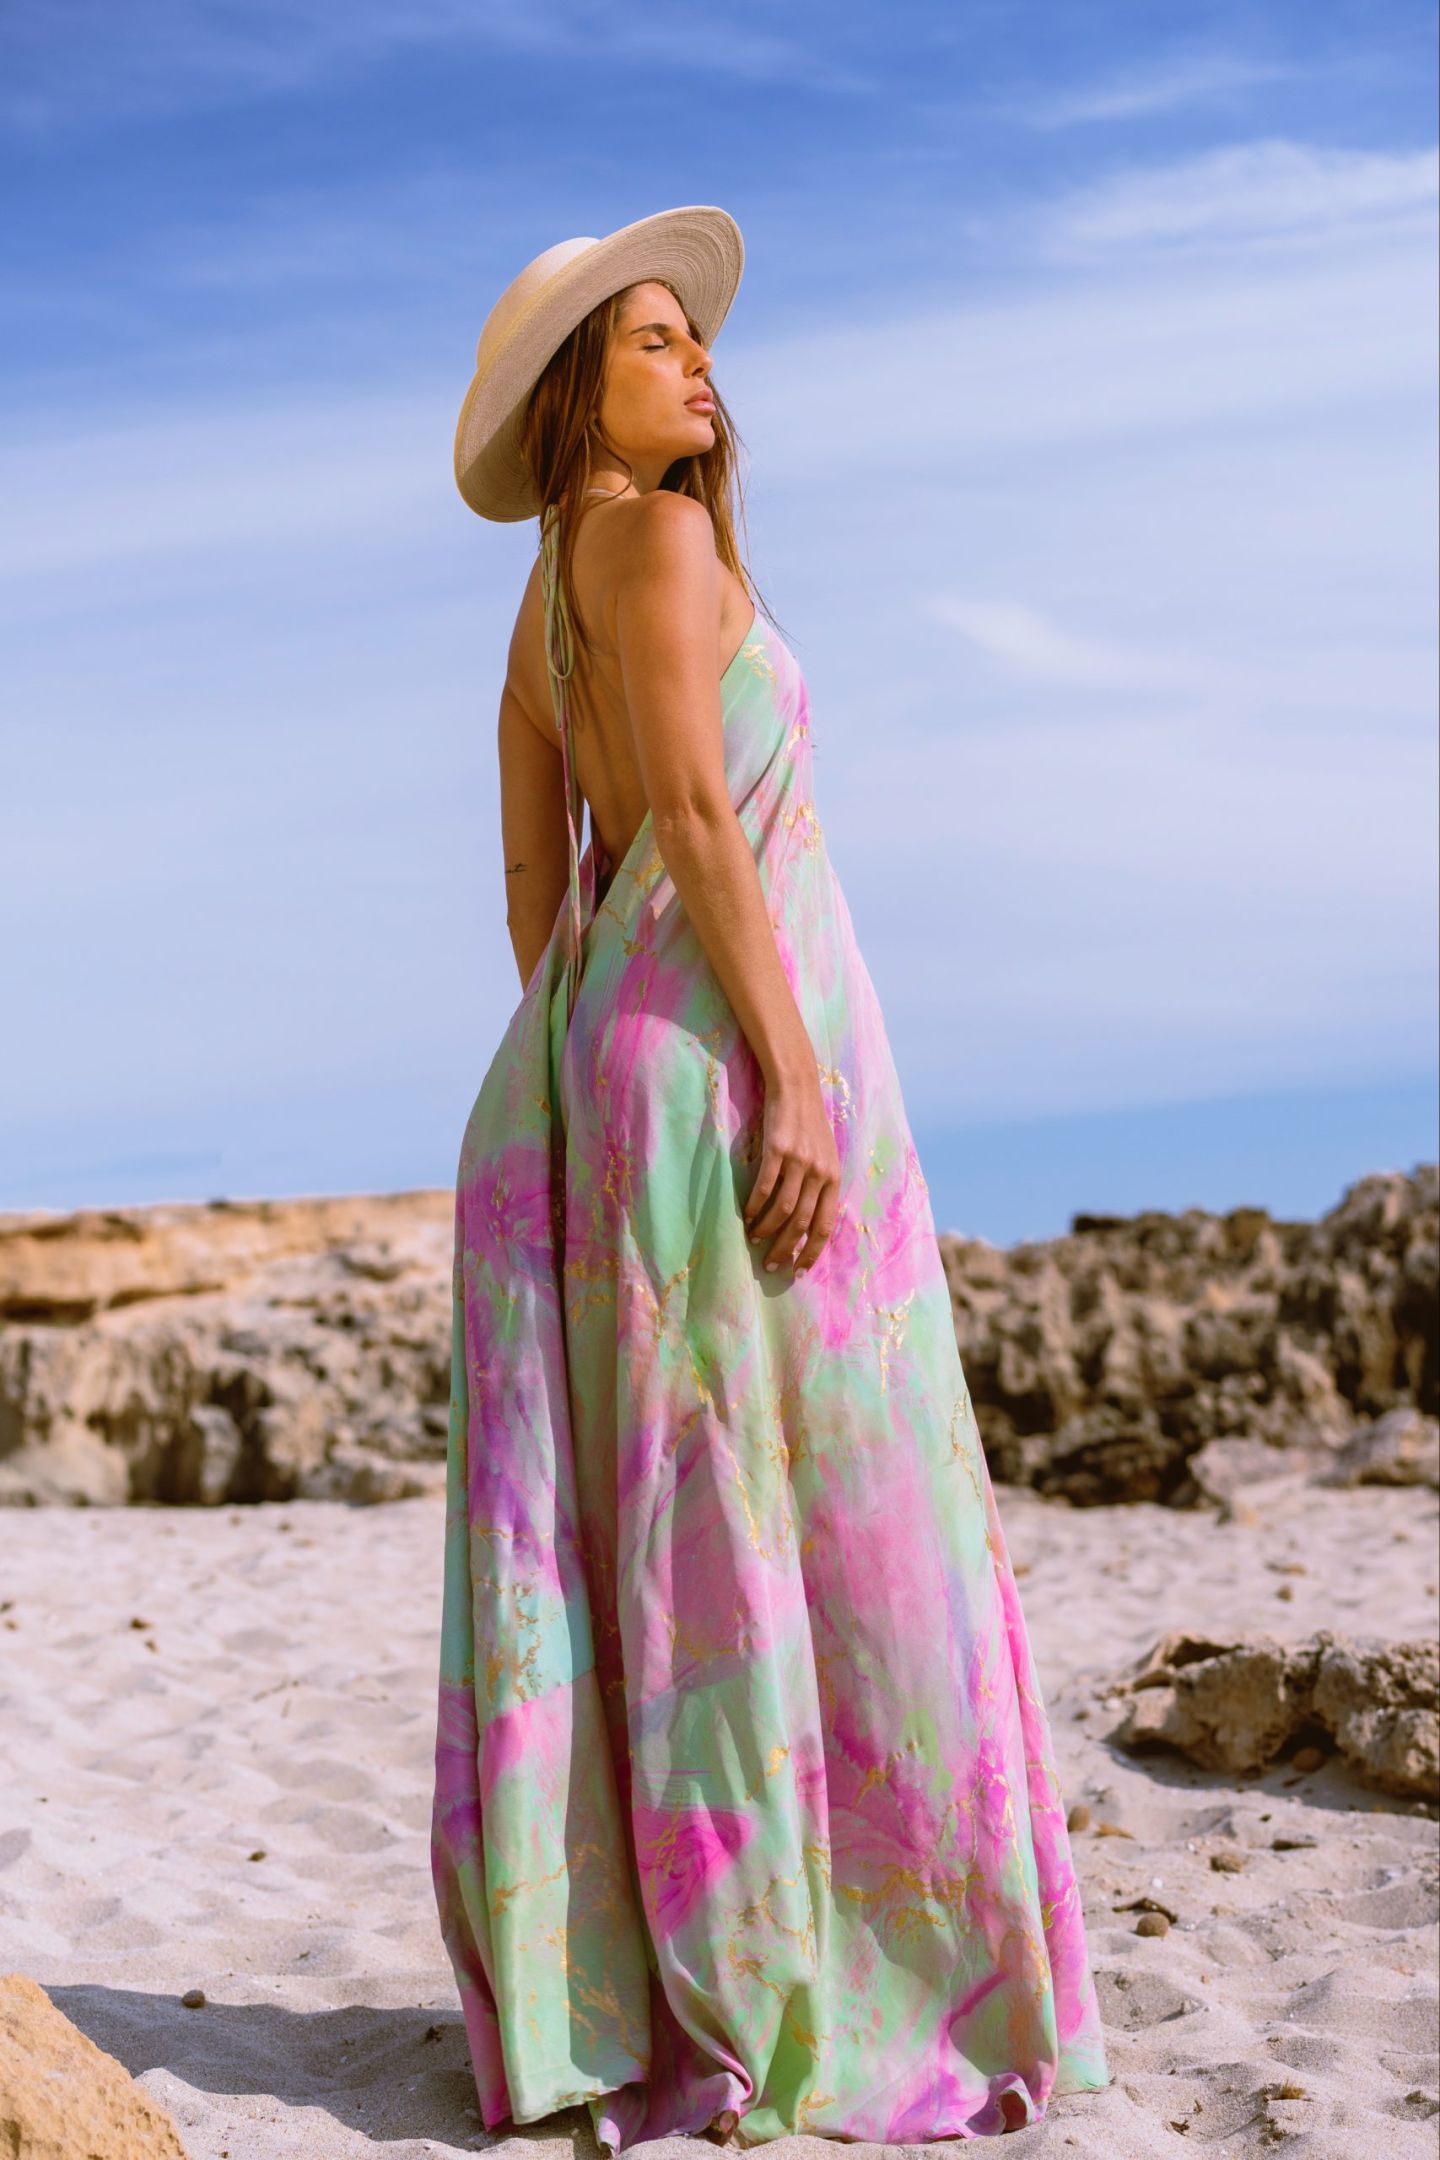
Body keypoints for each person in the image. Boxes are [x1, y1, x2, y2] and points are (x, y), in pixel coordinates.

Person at [430, 205, 1111, 2152]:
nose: (699, 363)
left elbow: (538, 896)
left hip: (606, 1067)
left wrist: (599, 1064)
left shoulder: (534, 615)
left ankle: (676, 1974)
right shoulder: (657, 540)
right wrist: (787, 1071)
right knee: (820, 1508)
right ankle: (824, 1981)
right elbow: (702, 815)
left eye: (694, 338)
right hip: (732, 1057)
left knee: (673, 1526)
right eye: (653, 341)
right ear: (577, 395)